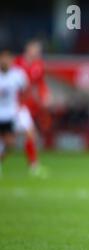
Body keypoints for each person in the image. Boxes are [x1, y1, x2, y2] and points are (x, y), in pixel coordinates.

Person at [14, 39, 49, 177]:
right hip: (10, 106)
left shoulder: (39, 65)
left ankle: (33, 165)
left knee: (30, 134)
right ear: (28, 49)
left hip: (22, 106)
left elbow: (40, 83)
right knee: (8, 139)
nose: (38, 53)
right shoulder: (16, 64)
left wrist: (44, 95)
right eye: (36, 50)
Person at [0, 48, 28, 176]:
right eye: (2, 58)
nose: (4, 61)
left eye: (7, 58)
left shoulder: (18, 75)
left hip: (10, 114)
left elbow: (25, 91)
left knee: (10, 143)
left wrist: (20, 107)